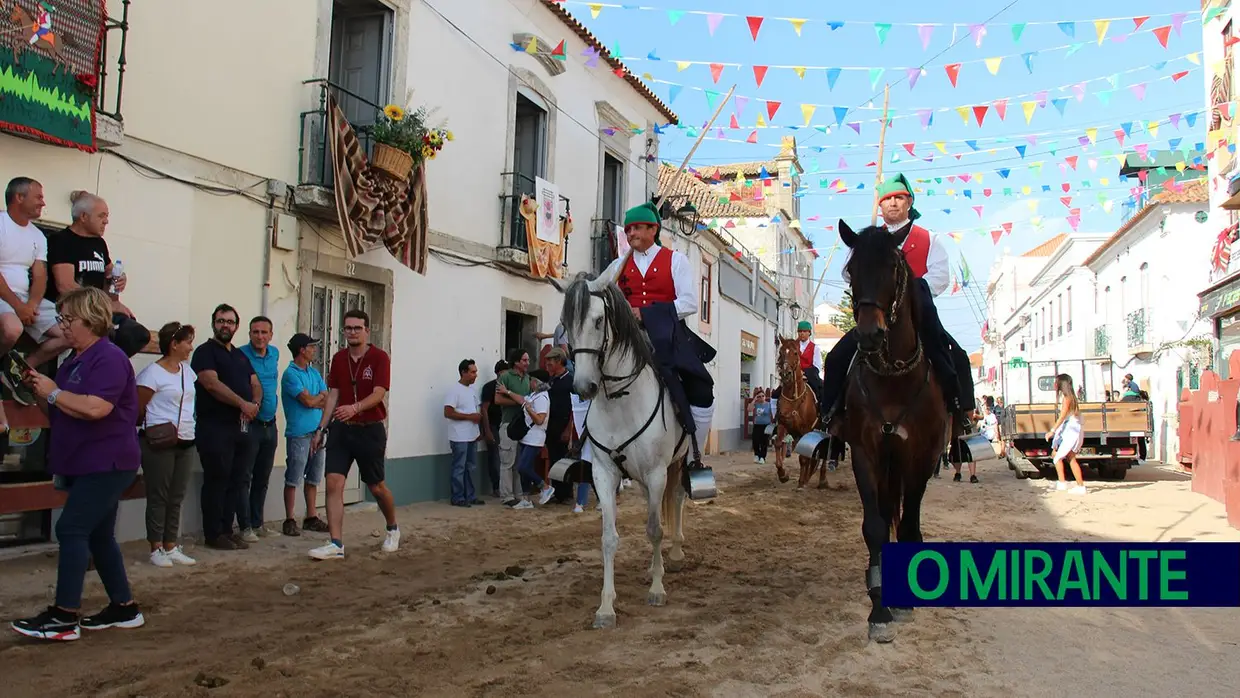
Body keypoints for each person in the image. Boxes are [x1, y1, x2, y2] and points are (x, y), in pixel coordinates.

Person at [10, 287, 144, 641]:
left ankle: (64, 616)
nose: (62, 326)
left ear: (90, 320)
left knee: (71, 529)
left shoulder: (109, 358)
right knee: (99, 536)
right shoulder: (74, 359)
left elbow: (97, 408)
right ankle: (124, 607)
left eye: (68, 319)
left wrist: (53, 391)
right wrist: (38, 391)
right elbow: (60, 410)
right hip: (86, 460)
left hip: (108, 461)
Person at [821, 173, 975, 429]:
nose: (893, 203)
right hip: (877, 310)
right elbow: (848, 271)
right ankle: (828, 421)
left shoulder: (930, 239)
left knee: (955, 356)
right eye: (887, 199)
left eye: (899, 198)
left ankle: (961, 418)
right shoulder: (868, 239)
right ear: (880, 207)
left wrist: (908, 292)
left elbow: (940, 276)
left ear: (909, 202)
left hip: (917, 312)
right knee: (836, 357)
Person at [600, 201, 717, 471]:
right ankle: (585, 453)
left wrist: (647, 313)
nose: (630, 235)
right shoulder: (618, 265)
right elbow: (600, 295)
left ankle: (693, 459)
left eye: (637, 229)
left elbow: (689, 304)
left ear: (653, 229)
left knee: (702, 390)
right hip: (627, 341)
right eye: (628, 230)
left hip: (669, 338)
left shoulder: (676, 260)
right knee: (586, 382)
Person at [309, 309, 399, 560]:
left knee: (377, 487)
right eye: (347, 328)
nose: (352, 332)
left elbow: (379, 393)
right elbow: (333, 395)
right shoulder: (339, 359)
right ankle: (336, 543)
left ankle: (393, 528)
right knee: (333, 483)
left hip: (369, 429)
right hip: (341, 430)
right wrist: (321, 428)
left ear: (367, 330)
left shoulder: (380, 358)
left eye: (357, 328)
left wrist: (356, 408)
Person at [0, 177, 71, 426]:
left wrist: (31, 304)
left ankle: (18, 370)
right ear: (19, 197)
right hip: (3, 297)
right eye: (38, 197)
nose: (43, 202)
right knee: (13, 329)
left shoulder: (38, 235)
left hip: (25, 299)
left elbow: (40, 275)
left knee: (69, 332)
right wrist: (19, 307)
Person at [45, 191, 149, 359]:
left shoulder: (99, 243)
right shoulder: (62, 240)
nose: (106, 221)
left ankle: (96, 369)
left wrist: (119, 281)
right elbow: (65, 286)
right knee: (96, 336)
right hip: (68, 311)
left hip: (95, 310)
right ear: (84, 216)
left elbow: (110, 274)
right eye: (101, 216)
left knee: (136, 334)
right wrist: (104, 304)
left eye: (107, 216)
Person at [191, 303, 261, 551]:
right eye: (221, 321)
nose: (225, 326)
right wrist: (242, 403)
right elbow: (210, 383)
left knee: (236, 480)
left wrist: (254, 404)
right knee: (217, 480)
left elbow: (255, 383)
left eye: (230, 322)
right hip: (214, 428)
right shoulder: (205, 352)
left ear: (236, 326)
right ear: (213, 323)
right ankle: (213, 534)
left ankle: (227, 530)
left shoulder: (240, 355)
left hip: (241, 429)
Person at [136, 322, 199, 568]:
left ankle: (171, 544)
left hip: (186, 438)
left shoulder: (187, 371)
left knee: (176, 495)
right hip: (159, 441)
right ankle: (156, 546)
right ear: (174, 344)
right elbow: (138, 407)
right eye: (188, 342)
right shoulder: (151, 374)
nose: (190, 347)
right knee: (158, 495)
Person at [280, 333, 331, 536]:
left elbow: (326, 399)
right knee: (293, 477)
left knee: (314, 477)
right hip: (299, 433)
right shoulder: (291, 374)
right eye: (311, 346)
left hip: (317, 432)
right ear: (302, 350)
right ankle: (289, 518)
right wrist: (317, 399)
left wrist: (316, 399)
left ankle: (311, 516)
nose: (314, 350)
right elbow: (308, 402)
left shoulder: (314, 373)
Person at [236, 316, 280, 542]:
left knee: (263, 477)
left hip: (270, 425)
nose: (260, 336)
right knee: (244, 476)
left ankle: (258, 522)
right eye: (255, 332)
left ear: (271, 335)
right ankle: (245, 527)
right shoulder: (240, 355)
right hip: (250, 426)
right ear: (249, 334)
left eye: (264, 332)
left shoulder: (275, 354)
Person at [500, 368, 556, 509]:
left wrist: (529, 409)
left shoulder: (542, 398)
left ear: (536, 382)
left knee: (523, 466)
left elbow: (540, 420)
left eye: (531, 380)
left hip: (535, 438)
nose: (529, 382)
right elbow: (521, 399)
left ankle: (545, 486)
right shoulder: (534, 395)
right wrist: (507, 392)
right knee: (524, 468)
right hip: (527, 437)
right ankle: (526, 499)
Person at [493, 348, 531, 507]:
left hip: (522, 425)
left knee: (517, 463)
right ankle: (507, 496)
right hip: (509, 423)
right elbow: (498, 400)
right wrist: (519, 401)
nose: (527, 363)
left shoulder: (528, 378)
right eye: (524, 360)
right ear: (516, 362)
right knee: (507, 461)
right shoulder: (505, 376)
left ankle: (518, 493)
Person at [444, 358, 484, 508]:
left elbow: (475, 411)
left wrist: (477, 429)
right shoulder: (454, 390)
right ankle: (458, 497)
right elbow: (448, 412)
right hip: (459, 436)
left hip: (472, 435)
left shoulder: (472, 390)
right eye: (473, 372)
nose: (475, 375)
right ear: (463, 372)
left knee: (471, 467)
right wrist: (469, 417)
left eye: (476, 372)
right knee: (459, 467)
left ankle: (471, 496)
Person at [1046, 374, 1086, 495]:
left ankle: (1067, 484)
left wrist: (1052, 430)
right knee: (1069, 457)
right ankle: (1068, 483)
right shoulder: (1070, 397)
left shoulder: (1067, 398)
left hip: (1071, 430)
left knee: (1058, 457)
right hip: (1072, 429)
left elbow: (1062, 416)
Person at [478, 360, 507, 498]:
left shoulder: (509, 387)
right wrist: (487, 430)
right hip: (494, 425)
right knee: (494, 457)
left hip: (506, 425)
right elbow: (484, 409)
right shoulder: (489, 387)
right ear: (498, 373)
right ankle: (496, 486)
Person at [794, 321, 824, 403]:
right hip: (793, 375)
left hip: (809, 376)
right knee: (776, 394)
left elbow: (817, 366)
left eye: (804, 331)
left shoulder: (815, 348)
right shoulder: (793, 345)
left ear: (809, 333)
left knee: (821, 391)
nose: (802, 333)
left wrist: (804, 373)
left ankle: (822, 412)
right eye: (800, 331)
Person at [751, 389, 772, 464]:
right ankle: (757, 455)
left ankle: (762, 457)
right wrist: (754, 400)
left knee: (764, 441)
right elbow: (749, 409)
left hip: (766, 425)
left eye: (763, 396)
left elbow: (772, 414)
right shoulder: (756, 404)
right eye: (759, 396)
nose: (761, 397)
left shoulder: (769, 404)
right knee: (755, 440)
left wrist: (772, 424)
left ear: (765, 397)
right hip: (757, 425)